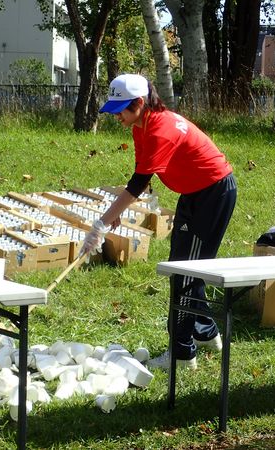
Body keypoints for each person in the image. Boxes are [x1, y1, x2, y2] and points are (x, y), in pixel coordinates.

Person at [81, 74, 237, 370]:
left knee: (184, 273)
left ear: (139, 103)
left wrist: (101, 223)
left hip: (213, 194)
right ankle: (206, 333)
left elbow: (138, 183)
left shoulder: (159, 130)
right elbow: (142, 174)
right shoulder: (141, 126)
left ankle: (181, 354)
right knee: (186, 265)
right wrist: (115, 215)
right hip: (195, 193)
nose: (117, 117)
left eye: (121, 110)